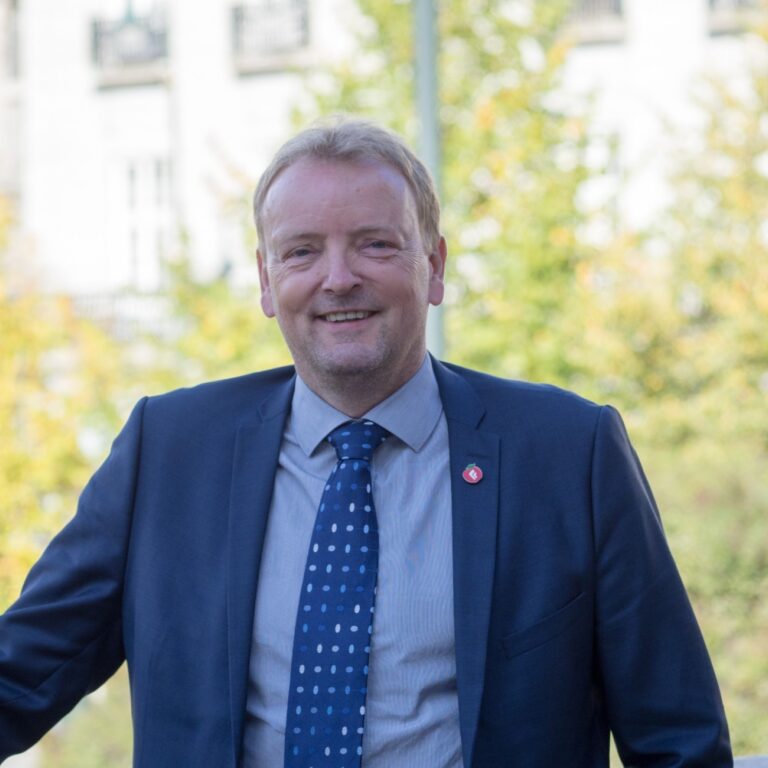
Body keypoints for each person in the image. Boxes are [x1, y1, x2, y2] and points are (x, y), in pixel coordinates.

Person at [0, 119, 732, 767]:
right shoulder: (167, 454)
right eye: (301, 252)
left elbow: (678, 740)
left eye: (376, 245)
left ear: (434, 266)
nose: (338, 279)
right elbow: (21, 674)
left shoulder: (570, 454)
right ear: (265, 280)